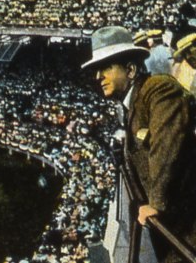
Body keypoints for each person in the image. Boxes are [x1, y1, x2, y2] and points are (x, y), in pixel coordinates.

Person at [82, 26, 196, 263]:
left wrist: (155, 204)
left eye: (106, 68)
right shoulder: (131, 104)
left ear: (131, 69)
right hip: (172, 227)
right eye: (96, 70)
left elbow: (166, 147)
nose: (98, 76)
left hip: (187, 224)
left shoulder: (159, 89)